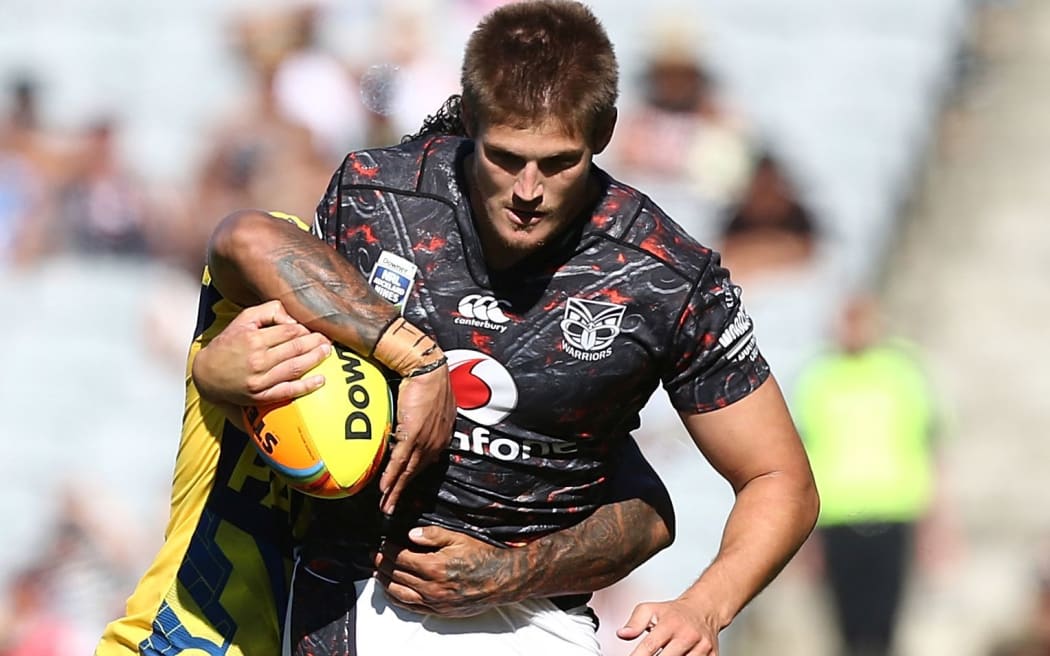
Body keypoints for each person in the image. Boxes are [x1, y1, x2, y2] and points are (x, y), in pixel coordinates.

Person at [191, 2, 819, 654]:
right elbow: (246, 246)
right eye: (505, 156)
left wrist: (706, 605)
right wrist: (412, 359)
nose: (528, 189)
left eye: (558, 162)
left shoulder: (665, 276)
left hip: (540, 616)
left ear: (602, 131)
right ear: (470, 119)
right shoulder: (377, 198)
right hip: (358, 591)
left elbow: (780, 480)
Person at [95, 170, 673, 656]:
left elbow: (649, 512)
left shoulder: (491, 362)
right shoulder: (296, 287)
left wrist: (505, 572)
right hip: (176, 638)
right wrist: (209, 372)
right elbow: (246, 239)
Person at [792, 295, 944, 656]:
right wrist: (802, 537)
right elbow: (800, 460)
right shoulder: (817, 377)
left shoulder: (903, 373)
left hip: (894, 514)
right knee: (846, 628)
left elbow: (930, 449)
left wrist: (937, 525)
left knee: (884, 627)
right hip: (836, 518)